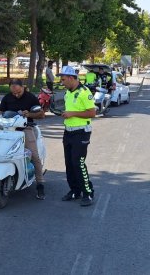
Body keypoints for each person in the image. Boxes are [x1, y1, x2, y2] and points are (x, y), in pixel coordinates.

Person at [0, 79, 46, 199]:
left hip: (25, 129)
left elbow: (41, 115)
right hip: (6, 130)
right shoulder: (7, 97)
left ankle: (40, 184)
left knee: (34, 155)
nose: (16, 95)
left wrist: (29, 114)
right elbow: (0, 112)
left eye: (18, 92)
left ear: (23, 87)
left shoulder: (31, 97)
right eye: (14, 93)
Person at [57, 66, 97, 207]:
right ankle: (74, 190)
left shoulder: (84, 92)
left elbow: (92, 113)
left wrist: (72, 114)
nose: (62, 82)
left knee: (78, 163)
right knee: (69, 163)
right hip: (68, 131)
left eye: (63, 79)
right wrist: (66, 113)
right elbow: (71, 110)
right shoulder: (68, 92)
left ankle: (88, 193)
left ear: (72, 78)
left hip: (81, 132)